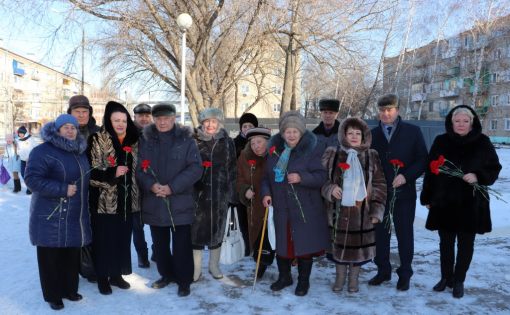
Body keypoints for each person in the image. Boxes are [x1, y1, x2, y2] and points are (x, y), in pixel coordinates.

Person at [420, 105, 501, 298]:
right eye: (457, 121)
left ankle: (459, 280)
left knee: (466, 244)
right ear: (451, 122)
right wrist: (428, 197)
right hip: (444, 202)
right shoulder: (441, 141)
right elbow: (430, 171)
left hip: (471, 204)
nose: (461, 124)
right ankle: (446, 277)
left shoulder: (483, 142)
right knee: (445, 244)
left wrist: (478, 176)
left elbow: (494, 167)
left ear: (472, 123)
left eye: (466, 121)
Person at [25, 114, 92, 310]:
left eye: (73, 127)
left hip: (74, 214)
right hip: (50, 215)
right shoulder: (42, 151)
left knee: (70, 255)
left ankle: (70, 289)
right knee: (50, 257)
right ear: (57, 129)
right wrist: (62, 189)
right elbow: (31, 179)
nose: (70, 130)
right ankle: (53, 295)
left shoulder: (79, 152)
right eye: (66, 127)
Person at [137, 103, 202, 297]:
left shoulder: (187, 140)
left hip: (179, 201)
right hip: (155, 201)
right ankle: (166, 275)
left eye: (166, 118)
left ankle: (184, 280)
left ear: (174, 119)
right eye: (158, 118)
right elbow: (140, 169)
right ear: (154, 120)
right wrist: (152, 185)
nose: (162, 122)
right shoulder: (146, 141)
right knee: (160, 244)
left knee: (182, 245)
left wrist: (172, 187)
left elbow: (196, 168)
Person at [261, 111, 329, 296]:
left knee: (304, 246)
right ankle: (285, 277)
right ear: (282, 133)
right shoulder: (274, 151)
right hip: (281, 206)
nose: (291, 135)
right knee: (282, 244)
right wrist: (266, 194)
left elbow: (322, 176)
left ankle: (303, 282)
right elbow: (266, 178)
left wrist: (302, 177)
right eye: (287, 131)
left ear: (301, 132)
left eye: (294, 131)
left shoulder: (314, 149)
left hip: (305, 207)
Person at [369, 94, 427, 291]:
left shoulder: (413, 132)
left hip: (404, 193)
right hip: (379, 194)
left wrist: (406, 176)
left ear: (397, 110)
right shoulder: (372, 134)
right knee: (380, 234)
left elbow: (422, 160)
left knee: (404, 234)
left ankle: (405, 274)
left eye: (389, 110)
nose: (385, 114)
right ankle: (383, 270)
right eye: (382, 110)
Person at [321, 118, 387, 293]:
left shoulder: (372, 155)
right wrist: (330, 188)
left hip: (362, 213)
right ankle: (340, 277)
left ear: (364, 135)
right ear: (343, 135)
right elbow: (321, 179)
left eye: (358, 133)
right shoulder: (332, 153)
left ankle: (353, 279)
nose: (354, 136)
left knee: (358, 250)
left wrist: (376, 210)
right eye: (350, 133)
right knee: (338, 248)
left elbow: (380, 184)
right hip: (337, 212)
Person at [87, 101, 139, 295]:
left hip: (127, 202)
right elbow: (91, 172)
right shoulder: (97, 139)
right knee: (103, 241)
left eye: (124, 120)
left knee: (122, 240)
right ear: (109, 121)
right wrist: (112, 173)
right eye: (116, 120)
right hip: (104, 203)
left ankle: (116, 274)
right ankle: (102, 277)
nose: (120, 124)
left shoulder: (133, 141)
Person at [192, 108, 237, 281]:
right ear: (202, 123)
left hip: (220, 194)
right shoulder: (193, 141)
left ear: (219, 123)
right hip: (197, 194)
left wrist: (231, 195)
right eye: (207, 121)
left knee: (217, 231)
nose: (210, 125)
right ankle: (196, 269)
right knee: (195, 232)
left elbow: (232, 169)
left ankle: (213, 265)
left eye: (214, 121)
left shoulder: (227, 142)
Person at [68, 94, 100, 282]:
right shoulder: (64, 132)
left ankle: (90, 266)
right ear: (70, 113)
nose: (81, 115)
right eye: (77, 111)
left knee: (93, 227)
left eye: (84, 111)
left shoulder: (98, 132)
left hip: (95, 187)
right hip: (72, 189)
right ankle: (75, 267)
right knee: (74, 228)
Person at [236, 127, 274, 279]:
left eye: (259, 142)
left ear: (267, 142)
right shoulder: (244, 157)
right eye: (252, 143)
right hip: (255, 204)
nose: (256, 146)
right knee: (258, 234)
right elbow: (238, 179)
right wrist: (245, 190)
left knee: (275, 234)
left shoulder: (275, 156)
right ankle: (261, 263)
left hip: (274, 202)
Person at [233, 112, 259, 256]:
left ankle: (257, 246)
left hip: (257, 187)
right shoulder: (235, 143)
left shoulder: (259, 141)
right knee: (243, 218)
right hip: (241, 186)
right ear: (241, 128)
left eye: (250, 126)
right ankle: (247, 246)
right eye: (245, 126)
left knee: (255, 218)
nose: (247, 128)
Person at [132, 103, 153, 268]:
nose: (144, 118)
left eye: (147, 115)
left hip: (153, 183)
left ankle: (157, 251)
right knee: (137, 225)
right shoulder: (129, 134)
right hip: (134, 185)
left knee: (156, 221)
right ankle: (142, 255)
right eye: (141, 116)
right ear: (135, 117)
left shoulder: (156, 133)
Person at [17, 125, 37, 194]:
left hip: (30, 160)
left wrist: (31, 156)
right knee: (23, 174)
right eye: (19, 133)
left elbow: (36, 148)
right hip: (22, 160)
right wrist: (18, 153)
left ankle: (30, 188)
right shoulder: (18, 140)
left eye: (21, 133)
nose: (20, 135)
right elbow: (18, 149)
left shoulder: (30, 139)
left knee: (30, 174)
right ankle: (29, 186)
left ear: (24, 132)